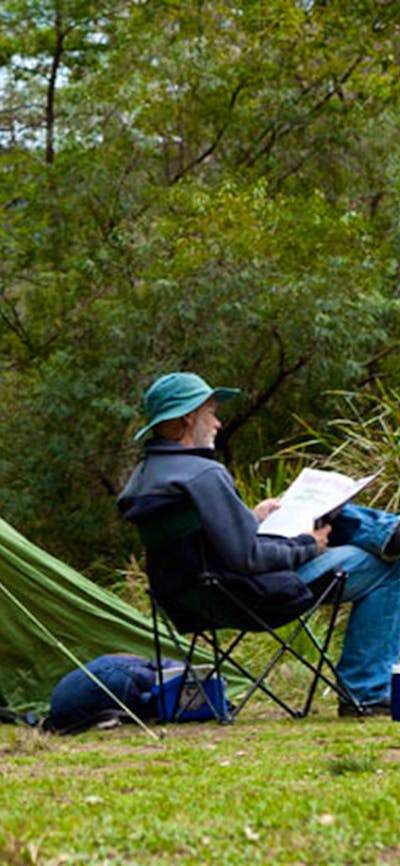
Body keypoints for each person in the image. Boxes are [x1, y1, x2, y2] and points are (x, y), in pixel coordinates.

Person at [118, 372, 400, 717]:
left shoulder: (146, 476)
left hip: (190, 598)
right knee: (389, 567)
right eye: (211, 412)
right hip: (250, 594)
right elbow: (248, 558)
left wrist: (251, 517)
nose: (219, 422)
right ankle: (366, 692)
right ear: (189, 417)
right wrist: (308, 546)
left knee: (319, 513)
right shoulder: (203, 474)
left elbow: (203, 543)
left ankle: (388, 533)